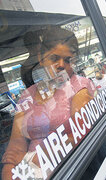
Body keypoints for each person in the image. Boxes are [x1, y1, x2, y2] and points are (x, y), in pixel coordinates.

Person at [1, 26, 96, 179]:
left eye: (67, 60)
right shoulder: (28, 95)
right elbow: (15, 146)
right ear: (41, 58)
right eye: (54, 58)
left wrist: (29, 159)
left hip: (70, 169)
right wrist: (9, 172)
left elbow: (76, 136)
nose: (61, 65)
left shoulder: (79, 87)